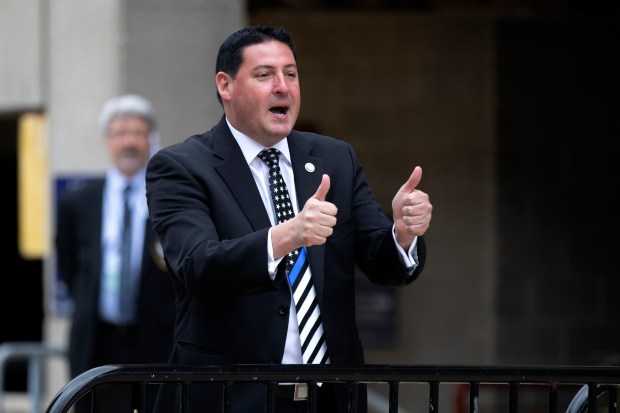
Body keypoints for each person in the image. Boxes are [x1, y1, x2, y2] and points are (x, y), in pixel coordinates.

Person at [145, 25, 432, 413]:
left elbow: (381, 261)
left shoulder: (335, 159)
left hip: (329, 398)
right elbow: (198, 265)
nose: (283, 86)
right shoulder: (181, 167)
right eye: (264, 75)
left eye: (291, 74)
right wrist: (287, 235)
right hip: (230, 398)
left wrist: (402, 233)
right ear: (225, 85)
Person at [55, 94, 176, 413]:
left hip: (156, 340)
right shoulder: (78, 203)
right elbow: (68, 266)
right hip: (97, 340)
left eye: (137, 133)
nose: (129, 142)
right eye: (121, 133)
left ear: (151, 140)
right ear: (108, 140)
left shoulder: (168, 198)